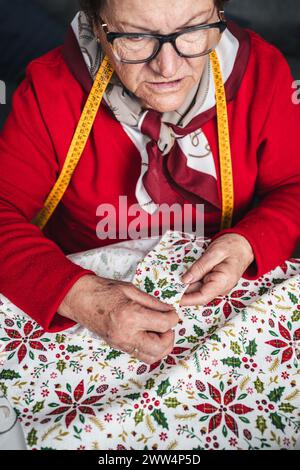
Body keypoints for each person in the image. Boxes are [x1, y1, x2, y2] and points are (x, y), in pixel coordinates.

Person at [0, 0, 299, 365]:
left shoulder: (263, 75)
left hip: (219, 308)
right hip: (85, 311)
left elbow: (293, 185)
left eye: (192, 30)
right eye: (136, 37)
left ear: (219, 16)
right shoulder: (50, 89)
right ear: (97, 26)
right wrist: (77, 295)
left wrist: (249, 242)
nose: (167, 67)